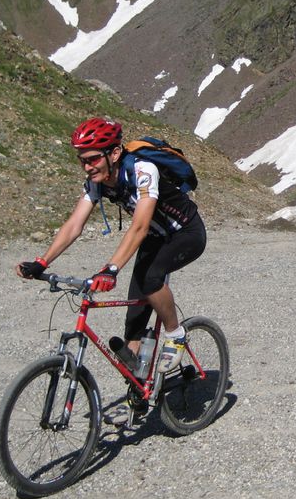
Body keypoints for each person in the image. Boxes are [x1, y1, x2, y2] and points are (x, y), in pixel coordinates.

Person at [16, 117, 206, 372]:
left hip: (185, 233)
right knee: (133, 326)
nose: (87, 167)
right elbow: (74, 225)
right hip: (154, 237)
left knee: (151, 279)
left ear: (114, 153)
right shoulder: (96, 182)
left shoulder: (142, 170)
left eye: (93, 159)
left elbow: (139, 226)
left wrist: (111, 268)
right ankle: (138, 386)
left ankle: (175, 333)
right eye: (82, 160)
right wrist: (42, 262)